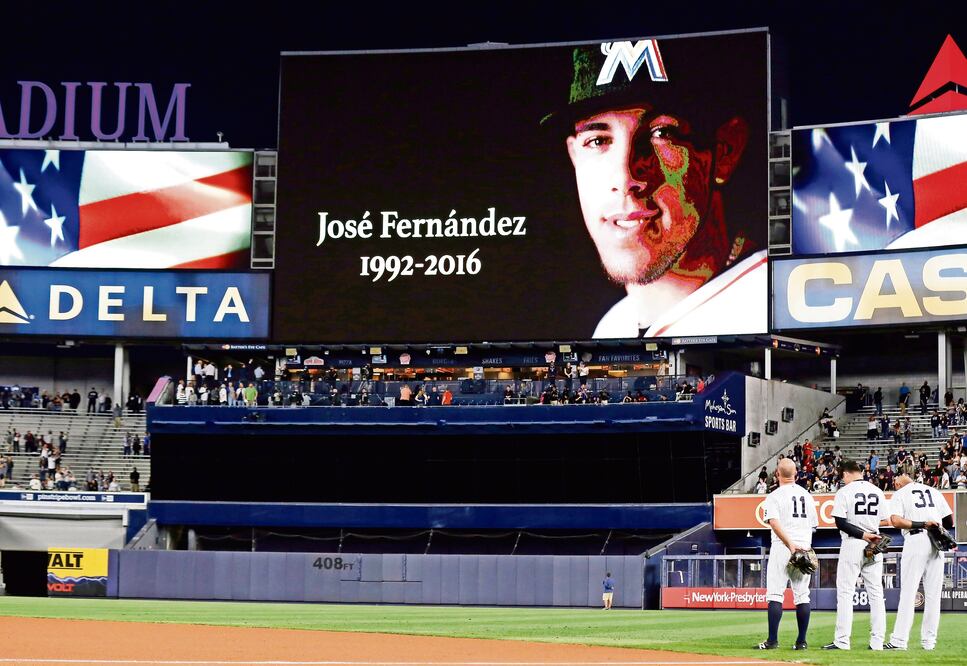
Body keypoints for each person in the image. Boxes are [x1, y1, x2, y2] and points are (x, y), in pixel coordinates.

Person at [545, 41, 765, 338]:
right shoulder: (612, 327)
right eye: (598, 141)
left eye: (661, 133)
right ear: (574, 156)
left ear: (726, 151)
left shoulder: (773, 301)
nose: (626, 176)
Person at [822, 460, 887, 651]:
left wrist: (862, 533)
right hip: (874, 543)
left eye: (843, 475)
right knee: (876, 594)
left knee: (845, 593)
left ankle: (842, 641)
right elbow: (885, 519)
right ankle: (877, 642)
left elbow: (840, 523)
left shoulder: (845, 491)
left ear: (846, 474)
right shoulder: (877, 490)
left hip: (853, 543)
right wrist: (870, 530)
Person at [885, 472, 955, 650]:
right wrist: (936, 529)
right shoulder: (933, 491)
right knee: (933, 596)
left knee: (909, 593)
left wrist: (922, 524)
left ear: (898, 484)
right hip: (936, 542)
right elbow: (949, 520)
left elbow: (895, 521)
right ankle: (929, 642)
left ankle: (899, 641)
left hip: (916, 539)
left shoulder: (900, 493)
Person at [757, 458, 818, 651]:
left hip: (783, 546)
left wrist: (790, 544)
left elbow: (774, 523)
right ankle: (801, 642)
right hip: (804, 547)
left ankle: (772, 641)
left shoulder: (774, 495)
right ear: (796, 475)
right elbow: (814, 525)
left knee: (775, 593)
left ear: (777, 474)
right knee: (802, 595)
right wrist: (802, 546)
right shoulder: (807, 495)